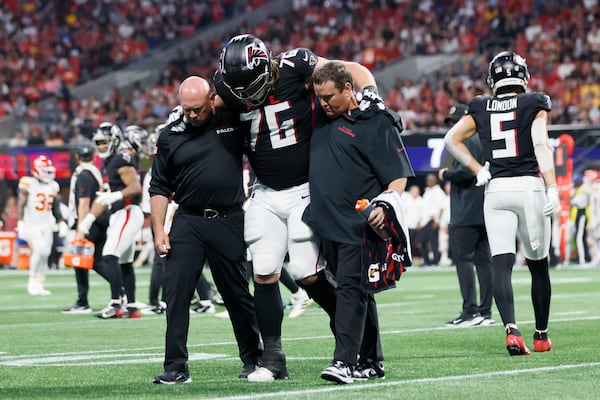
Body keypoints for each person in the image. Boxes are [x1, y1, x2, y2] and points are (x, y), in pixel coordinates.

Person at [214, 33, 376, 382]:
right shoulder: (225, 85)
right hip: (264, 189)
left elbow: (349, 71)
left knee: (307, 272)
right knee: (265, 269)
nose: (244, 94)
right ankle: (272, 359)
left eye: (250, 85)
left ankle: (354, 337)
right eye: (236, 87)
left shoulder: (294, 65)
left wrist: (371, 95)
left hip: (305, 186)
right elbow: (210, 109)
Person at [306, 61, 415, 384]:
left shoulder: (375, 122)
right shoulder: (322, 119)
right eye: (319, 98)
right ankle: (371, 360)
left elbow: (397, 177)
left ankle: (344, 361)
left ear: (349, 90)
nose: (323, 104)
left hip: (358, 226)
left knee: (351, 291)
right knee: (358, 292)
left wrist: (384, 203)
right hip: (327, 224)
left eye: (329, 97)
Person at [444, 51, 558, 356]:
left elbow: (451, 139)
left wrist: (477, 169)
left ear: (493, 79)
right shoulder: (535, 102)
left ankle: (511, 330)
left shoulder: (481, 105)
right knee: (538, 266)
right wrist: (552, 186)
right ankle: (541, 335)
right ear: (524, 76)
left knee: (501, 263)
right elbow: (540, 145)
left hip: (495, 191)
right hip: (528, 187)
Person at [149, 76, 261, 384]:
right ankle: (175, 367)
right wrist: (159, 230)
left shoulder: (232, 120)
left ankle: (253, 358)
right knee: (176, 293)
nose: (193, 115)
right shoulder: (170, 135)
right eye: (187, 110)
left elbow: (243, 94)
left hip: (229, 219)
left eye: (198, 108)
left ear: (211, 99)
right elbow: (158, 186)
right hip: (188, 220)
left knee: (237, 293)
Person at [77, 123, 146, 319]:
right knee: (124, 262)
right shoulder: (109, 162)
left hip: (128, 211)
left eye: (104, 142)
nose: (100, 147)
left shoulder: (119, 159)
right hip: (121, 213)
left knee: (109, 255)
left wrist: (115, 197)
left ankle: (116, 303)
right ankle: (131, 306)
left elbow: (134, 187)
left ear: (114, 141)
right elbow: (103, 197)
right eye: (98, 143)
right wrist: (89, 219)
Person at [438, 103, 494, 327]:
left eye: (455, 121)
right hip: (485, 208)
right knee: (485, 261)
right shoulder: (486, 139)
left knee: (464, 261)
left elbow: (464, 174)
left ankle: (470, 311)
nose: (453, 126)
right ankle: (485, 312)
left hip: (465, 212)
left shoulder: (464, 142)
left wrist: (445, 174)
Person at [62, 143, 111, 314]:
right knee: (97, 261)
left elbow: (83, 203)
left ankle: (83, 301)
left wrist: (81, 228)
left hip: (90, 222)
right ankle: (122, 290)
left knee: (83, 262)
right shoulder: (96, 172)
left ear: (77, 158)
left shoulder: (83, 174)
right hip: (100, 221)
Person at [17, 155, 66, 295]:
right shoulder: (28, 182)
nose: (48, 174)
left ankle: (40, 283)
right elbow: (21, 203)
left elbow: (55, 206)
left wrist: (60, 221)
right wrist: (20, 222)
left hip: (46, 223)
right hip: (32, 223)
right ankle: (32, 281)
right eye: (45, 171)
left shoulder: (53, 185)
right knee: (40, 251)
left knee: (46, 254)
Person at [418, 173, 447, 266]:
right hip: (425, 221)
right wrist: (420, 221)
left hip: (433, 220)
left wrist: (437, 221)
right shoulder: (427, 192)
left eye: (430, 180)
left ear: (435, 181)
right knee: (423, 241)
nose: (428, 182)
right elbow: (424, 208)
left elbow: (442, 207)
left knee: (434, 242)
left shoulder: (438, 191)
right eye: (427, 180)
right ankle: (427, 261)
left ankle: (435, 260)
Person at [569, 174, 591, 264]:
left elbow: (575, 202)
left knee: (579, 237)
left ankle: (583, 259)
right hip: (579, 216)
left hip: (582, 215)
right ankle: (584, 257)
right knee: (581, 238)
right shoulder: (579, 190)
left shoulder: (583, 191)